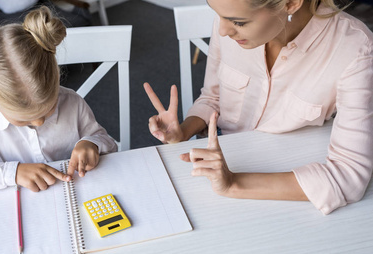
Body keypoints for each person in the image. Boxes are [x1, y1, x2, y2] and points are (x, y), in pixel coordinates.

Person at [144, 0, 373, 215]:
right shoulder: (229, 18)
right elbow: (213, 97)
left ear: (291, 3)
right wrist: (184, 131)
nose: (223, 30)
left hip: (288, 182)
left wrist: (233, 184)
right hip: (218, 167)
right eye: (217, 15)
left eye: (239, 22)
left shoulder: (355, 50)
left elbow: (349, 176)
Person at [0, 6, 117, 196]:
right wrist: (13, 173)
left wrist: (91, 143)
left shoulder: (72, 102)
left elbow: (108, 142)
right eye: (23, 120)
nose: (39, 122)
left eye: (49, 109)